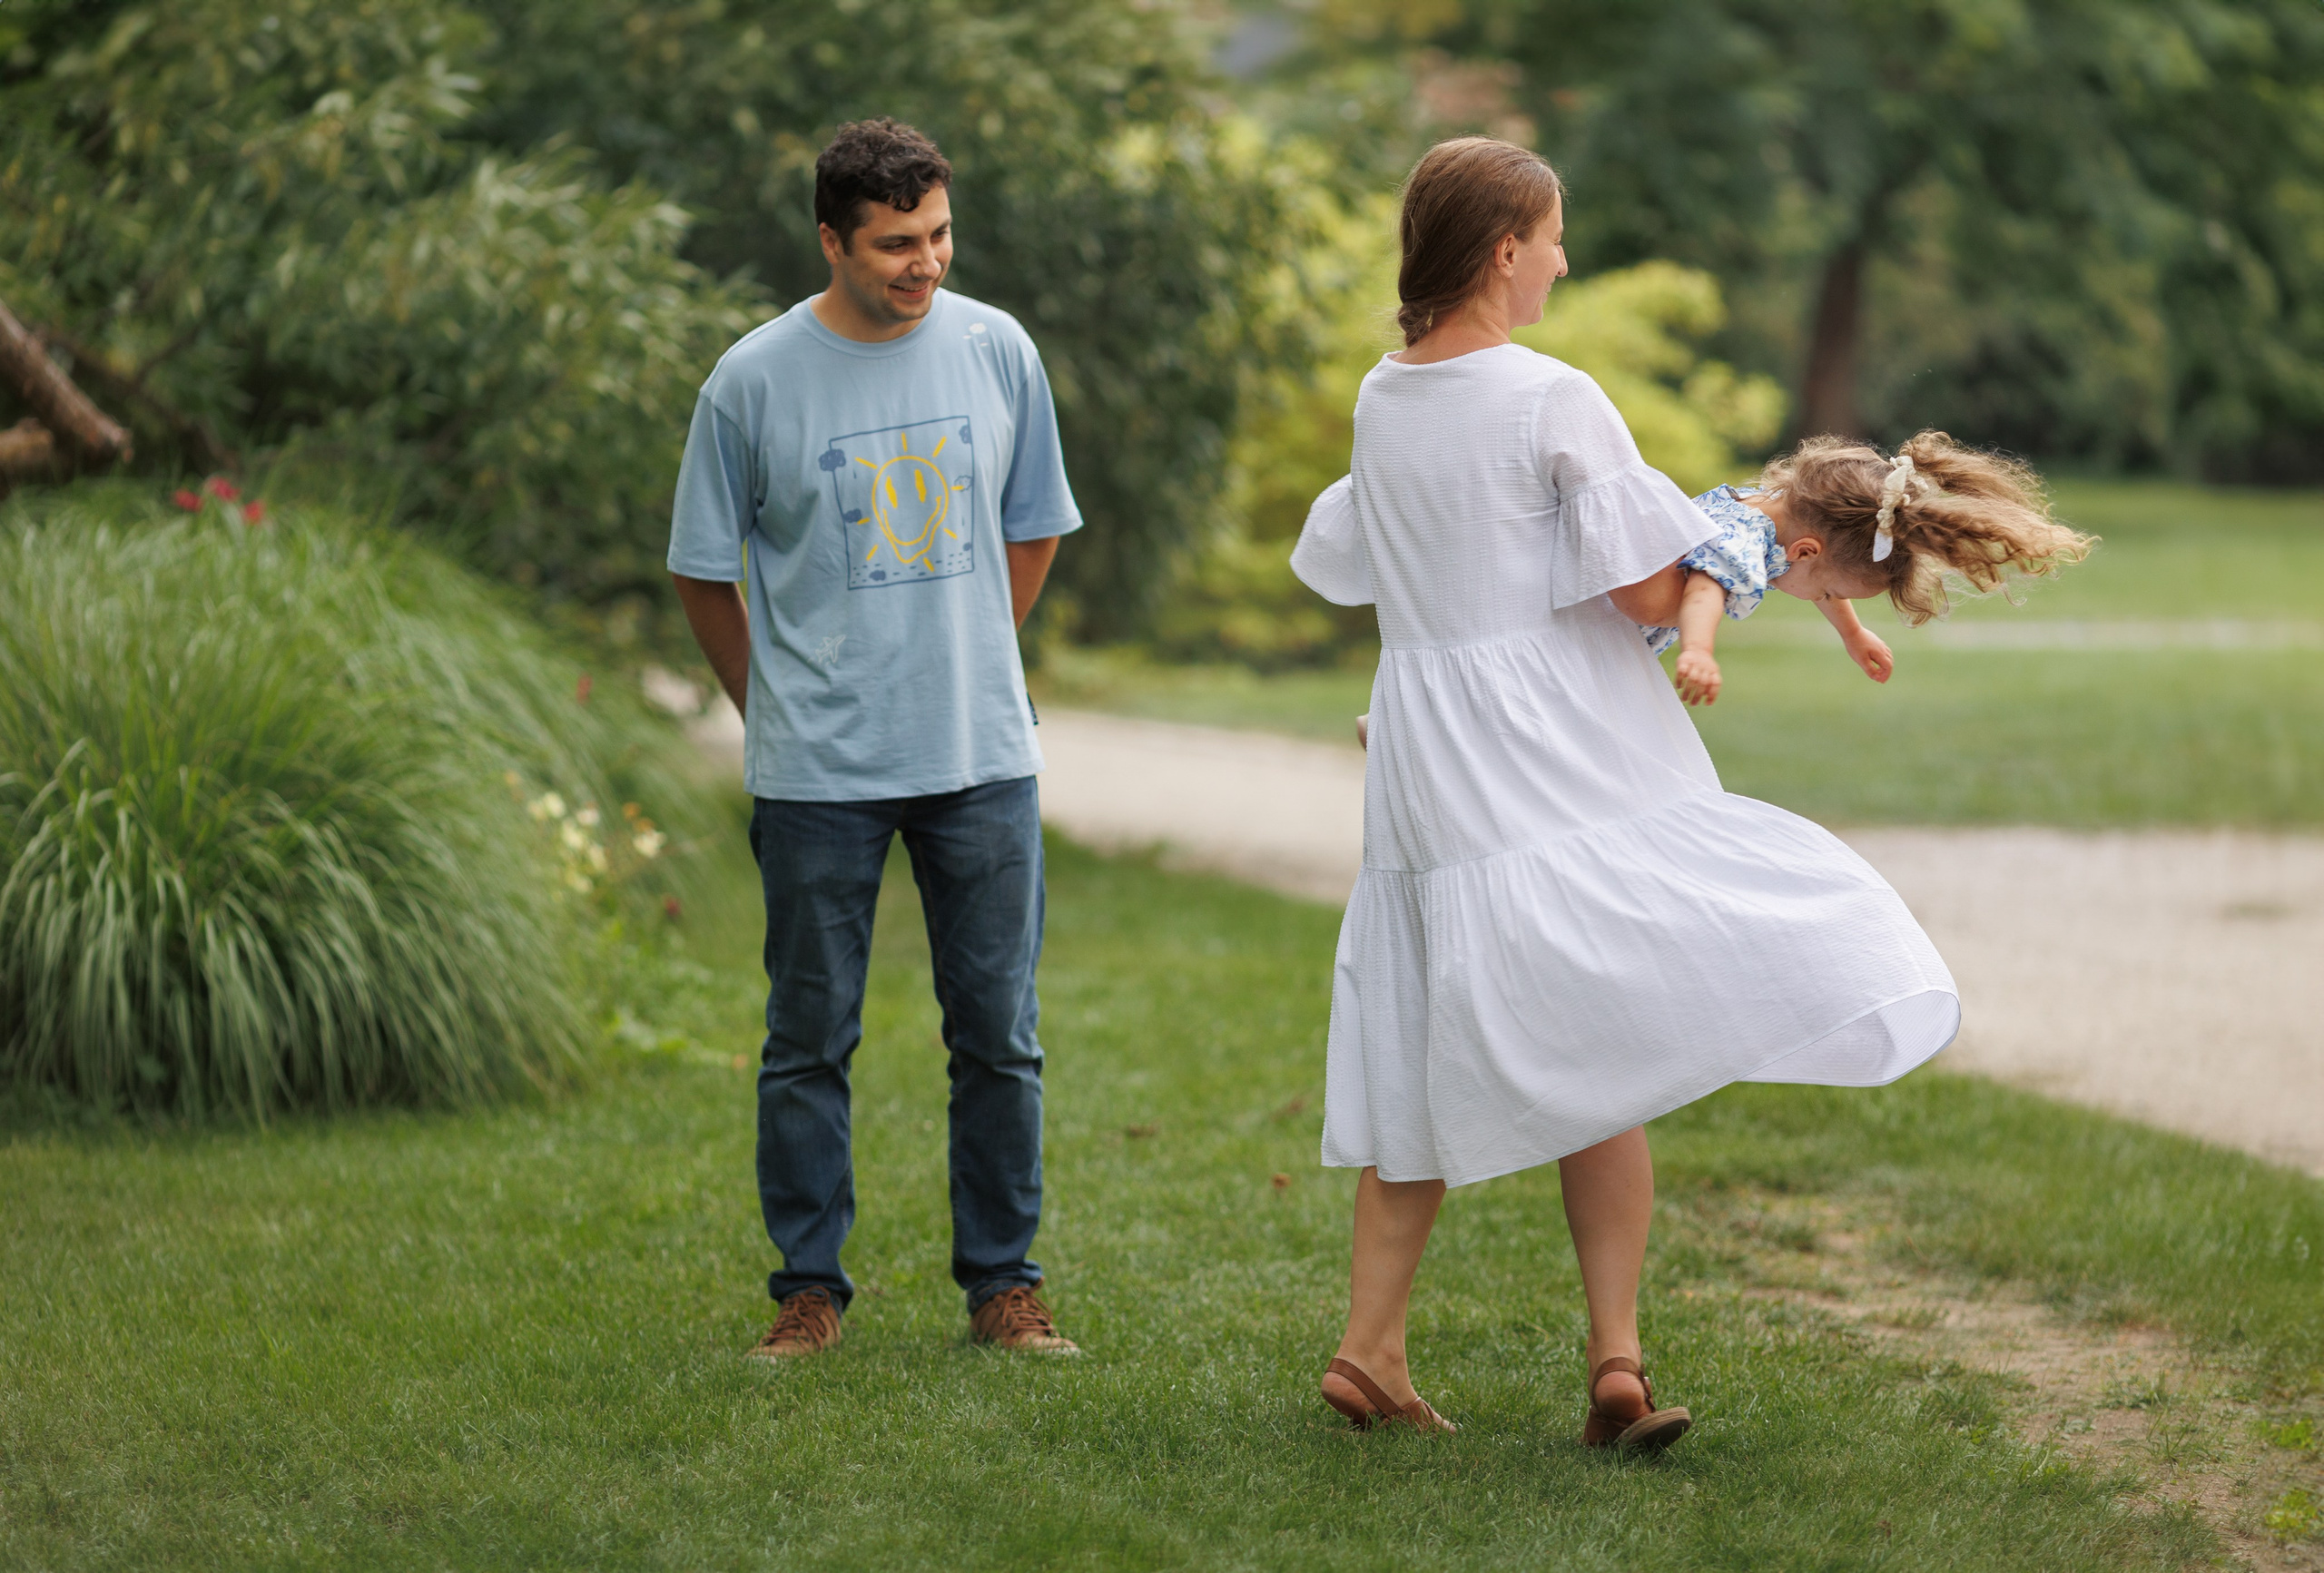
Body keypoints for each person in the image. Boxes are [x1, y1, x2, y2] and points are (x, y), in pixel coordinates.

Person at [1290, 137, 1965, 1451]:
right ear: (1502, 252)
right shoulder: (1550, 397)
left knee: (1428, 1023)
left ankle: (1379, 1349)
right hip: (1552, 731)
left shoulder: (1384, 395)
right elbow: (1641, 596)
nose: (1560, 257)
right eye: (1550, 236)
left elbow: (1383, 557)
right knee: (1620, 1017)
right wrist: (1743, 552)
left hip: (1429, 739)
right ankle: (1613, 1354)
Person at [667, 118, 1083, 1361]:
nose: (928, 262)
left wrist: (970, 653)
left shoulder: (998, 350)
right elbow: (700, 570)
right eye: (898, 243)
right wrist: (772, 705)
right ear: (832, 241)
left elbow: (1035, 523)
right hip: (818, 779)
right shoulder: (751, 381)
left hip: (983, 762)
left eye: (941, 234)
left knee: (1000, 1038)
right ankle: (809, 1291)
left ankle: (1004, 1287)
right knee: (807, 1042)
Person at [1643, 440, 2092, 706]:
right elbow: (1705, 588)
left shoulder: (1771, 507)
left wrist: (1852, 635)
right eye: (1834, 588)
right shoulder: (1744, 540)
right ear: (1805, 551)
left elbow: (1817, 579)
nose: (1830, 596)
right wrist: (1699, 650)